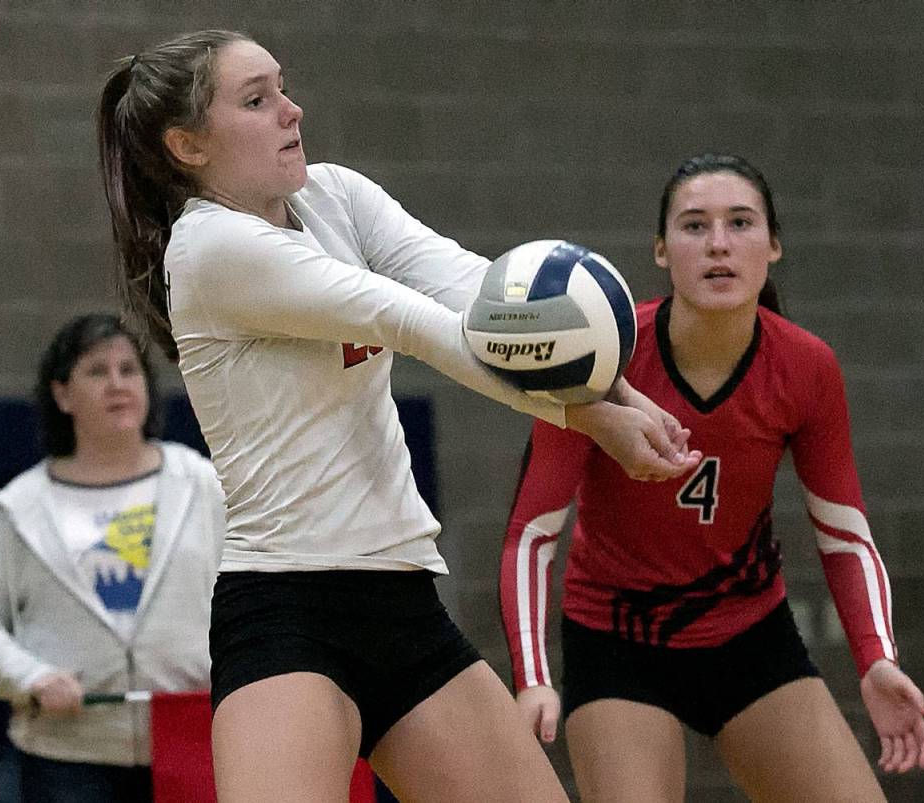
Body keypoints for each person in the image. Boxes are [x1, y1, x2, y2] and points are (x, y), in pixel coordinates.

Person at [96, 29, 700, 803]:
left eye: (283, 86)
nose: (291, 109)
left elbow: (479, 296)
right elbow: (415, 324)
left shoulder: (336, 194)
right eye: (257, 100)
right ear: (188, 145)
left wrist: (625, 391)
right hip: (287, 614)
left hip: (402, 597)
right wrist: (596, 421)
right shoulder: (211, 249)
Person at [500, 153, 924, 802]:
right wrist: (534, 676)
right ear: (660, 250)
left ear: (775, 246)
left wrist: (877, 660)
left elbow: (846, 534)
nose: (720, 245)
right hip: (617, 643)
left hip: (750, 636)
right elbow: (530, 534)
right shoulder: (601, 354)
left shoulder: (806, 366)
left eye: (741, 223)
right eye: (695, 226)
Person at [0, 313, 224, 803]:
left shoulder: (202, 485)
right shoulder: (19, 506)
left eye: (129, 369)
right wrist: (30, 677)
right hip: (67, 757)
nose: (116, 384)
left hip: (194, 740)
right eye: (97, 371)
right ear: (62, 395)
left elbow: (252, 592)